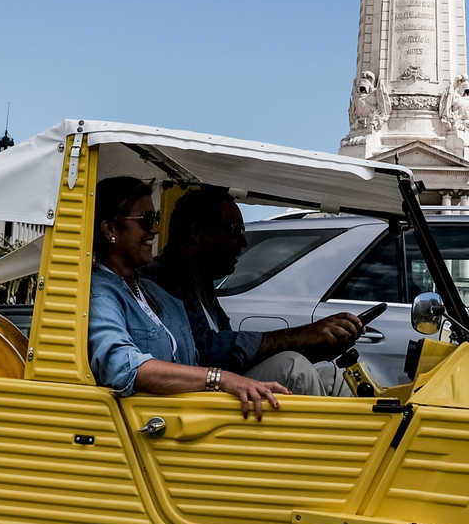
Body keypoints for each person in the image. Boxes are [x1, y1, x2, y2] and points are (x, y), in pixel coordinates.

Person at [85, 176, 286, 419]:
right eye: (147, 221)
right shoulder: (101, 292)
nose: (155, 231)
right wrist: (220, 379)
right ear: (111, 230)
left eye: (156, 220)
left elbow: (199, 354)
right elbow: (124, 367)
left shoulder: (155, 293)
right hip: (155, 424)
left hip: (192, 414)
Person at [143, 186, 362, 396]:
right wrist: (299, 336)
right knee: (292, 367)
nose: (243, 242)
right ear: (196, 233)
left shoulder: (201, 285)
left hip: (221, 384)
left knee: (335, 376)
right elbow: (206, 352)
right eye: (235, 231)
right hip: (196, 394)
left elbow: (234, 356)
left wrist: (316, 347)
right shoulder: (163, 281)